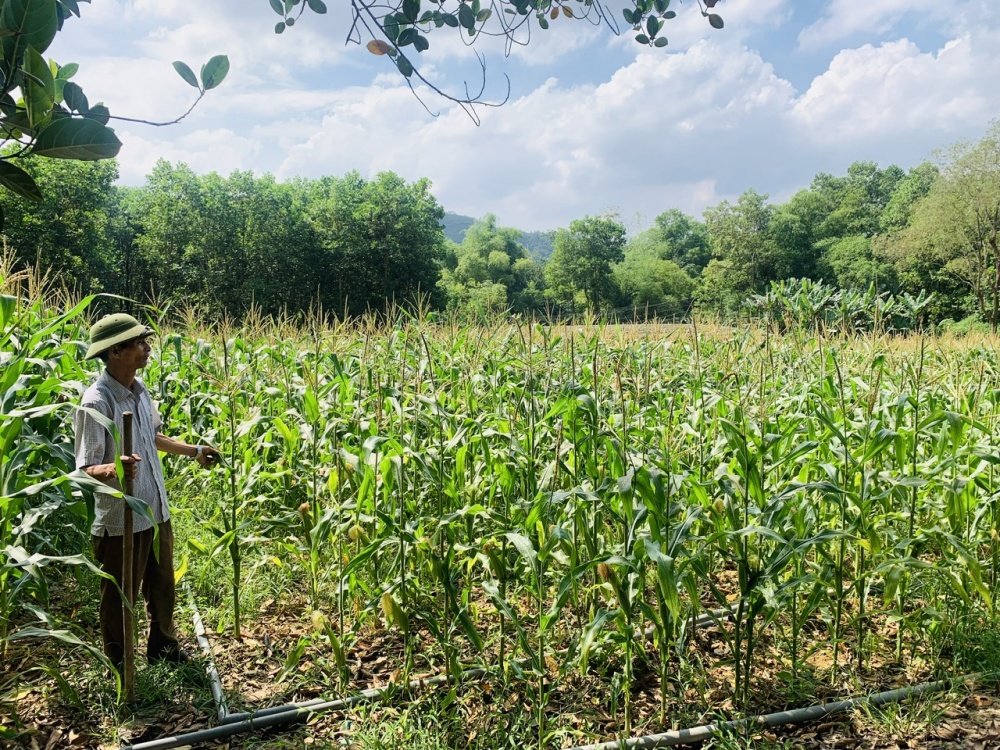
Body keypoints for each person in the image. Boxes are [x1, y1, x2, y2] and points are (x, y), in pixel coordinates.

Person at [74, 313, 220, 669]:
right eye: (138, 343)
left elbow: (151, 437)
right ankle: (120, 663)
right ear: (114, 352)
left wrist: (194, 451)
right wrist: (113, 469)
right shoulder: (96, 402)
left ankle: (163, 648)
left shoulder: (140, 392)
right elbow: (83, 471)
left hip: (155, 509)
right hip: (121, 520)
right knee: (119, 596)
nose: (147, 348)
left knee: (162, 586)